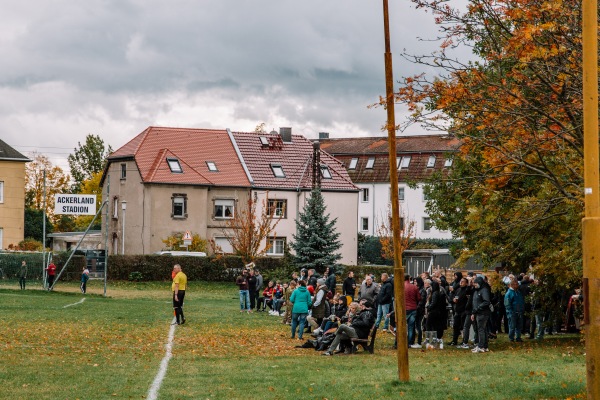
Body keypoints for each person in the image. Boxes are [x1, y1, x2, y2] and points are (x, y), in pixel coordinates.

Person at [471, 275, 492, 353]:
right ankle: (484, 346)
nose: (474, 285)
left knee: (481, 330)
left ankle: (481, 346)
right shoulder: (477, 290)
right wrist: (473, 312)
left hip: (482, 313)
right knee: (483, 329)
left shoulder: (484, 290)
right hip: (478, 312)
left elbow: (486, 301)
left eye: (476, 283)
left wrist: (478, 308)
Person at [404, 274, 422, 348]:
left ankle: (401, 341)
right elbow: (419, 298)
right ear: (409, 279)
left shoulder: (401, 287)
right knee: (411, 327)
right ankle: (410, 342)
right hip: (413, 308)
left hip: (404, 308)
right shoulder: (414, 287)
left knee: (402, 326)